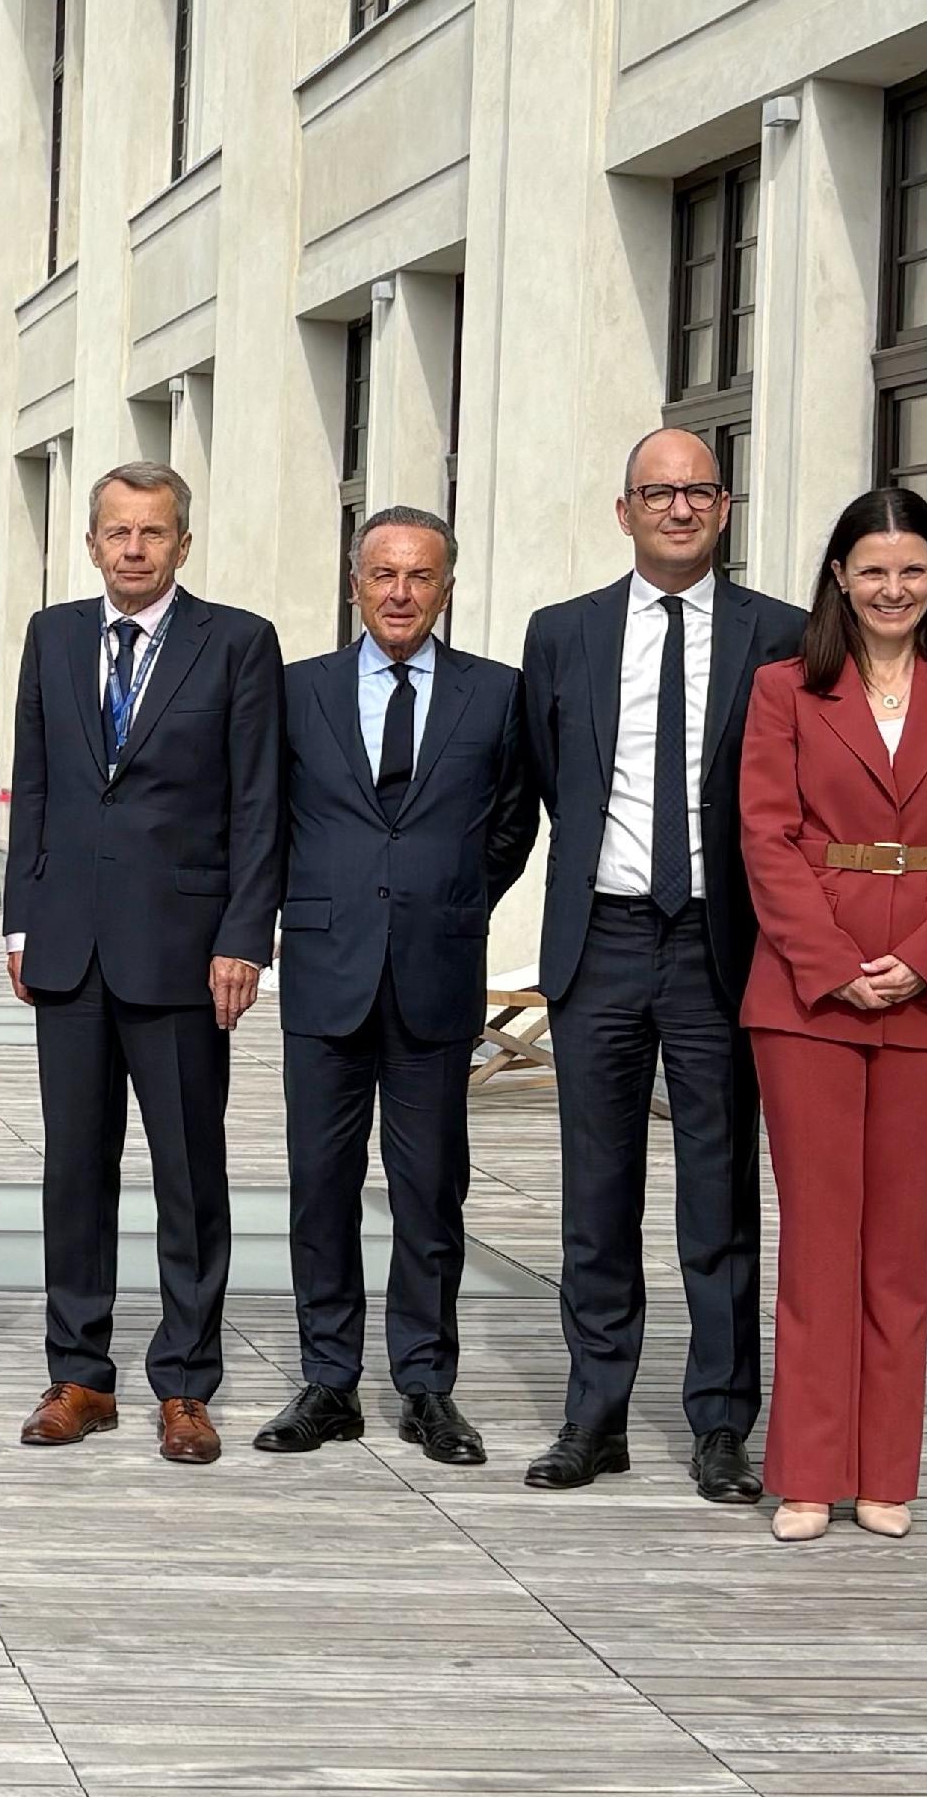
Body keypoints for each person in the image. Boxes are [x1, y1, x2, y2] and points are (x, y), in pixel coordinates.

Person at [514, 428, 807, 1501]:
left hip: (722, 945)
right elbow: (550, 777)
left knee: (718, 1196)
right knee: (596, 1193)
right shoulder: (565, 633)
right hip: (601, 937)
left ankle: (722, 1422)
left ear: (724, 506)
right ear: (623, 507)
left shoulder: (782, 634)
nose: (678, 508)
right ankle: (593, 1414)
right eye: (657, 491)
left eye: (698, 491)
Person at [730, 487, 927, 1541]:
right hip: (807, 991)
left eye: (909, 569)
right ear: (838, 578)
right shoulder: (784, 688)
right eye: (870, 569)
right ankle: (808, 1467)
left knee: (897, 1241)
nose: (890, 588)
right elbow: (766, 834)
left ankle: (884, 1466)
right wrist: (833, 960)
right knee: (816, 1237)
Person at [3, 461, 285, 1465]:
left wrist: (246, 934)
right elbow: (32, 781)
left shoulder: (238, 642)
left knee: (187, 1173)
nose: (132, 548)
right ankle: (79, 1374)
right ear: (90, 542)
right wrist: (20, 918)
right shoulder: (54, 635)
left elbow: (258, 802)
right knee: (73, 1171)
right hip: (69, 949)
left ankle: (185, 1382)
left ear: (181, 544)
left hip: (183, 953)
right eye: (116, 531)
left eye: (151, 532)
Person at [255, 508, 538, 1461]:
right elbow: (268, 822)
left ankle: (426, 1384)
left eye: (420, 576)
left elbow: (513, 823)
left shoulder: (498, 695)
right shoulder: (298, 692)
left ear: (447, 587)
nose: (401, 593)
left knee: (428, 1190)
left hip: (436, 971)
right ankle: (328, 1381)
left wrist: (452, 898)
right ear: (354, 584)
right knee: (320, 1187)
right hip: (327, 972)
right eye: (383, 574)